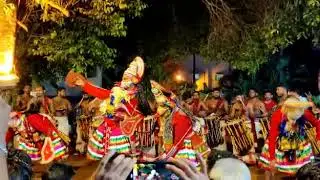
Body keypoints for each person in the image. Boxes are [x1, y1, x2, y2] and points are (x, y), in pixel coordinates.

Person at [66, 57, 151, 160]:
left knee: (119, 163)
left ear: (135, 80)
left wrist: (121, 115)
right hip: (105, 130)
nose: (125, 75)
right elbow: (102, 93)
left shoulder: (135, 97)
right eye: (125, 74)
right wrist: (84, 85)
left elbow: (136, 116)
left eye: (128, 76)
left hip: (121, 134)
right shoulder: (116, 91)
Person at [258, 97, 320, 175]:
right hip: (279, 145)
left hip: (300, 145)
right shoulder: (277, 115)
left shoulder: (305, 113)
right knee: (272, 170)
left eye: (296, 119)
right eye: (292, 118)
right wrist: (272, 158)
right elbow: (272, 137)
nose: (293, 122)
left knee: (301, 172)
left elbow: (318, 123)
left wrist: (318, 138)